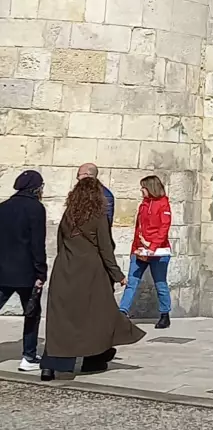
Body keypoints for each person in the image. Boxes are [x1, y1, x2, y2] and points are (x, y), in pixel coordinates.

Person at [41, 171, 143, 381]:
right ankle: (94, 357)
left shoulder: (68, 215)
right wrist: (118, 275)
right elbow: (105, 249)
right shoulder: (98, 217)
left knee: (62, 320)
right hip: (91, 272)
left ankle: (52, 366)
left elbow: (61, 243)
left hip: (64, 269)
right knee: (97, 316)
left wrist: (66, 261)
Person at [0, 169, 48, 372]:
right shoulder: (36, 208)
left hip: (2, 270)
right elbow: (37, 244)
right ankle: (28, 357)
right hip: (26, 272)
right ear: (37, 188)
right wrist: (41, 272)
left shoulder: (3, 207)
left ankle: (29, 356)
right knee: (32, 313)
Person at [119, 174, 173, 328]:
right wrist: (135, 248)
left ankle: (165, 313)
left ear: (150, 188)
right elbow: (139, 228)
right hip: (140, 250)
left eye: (143, 187)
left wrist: (152, 246)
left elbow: (164, 228)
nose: (141, 190)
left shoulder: (163, 204)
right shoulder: (143, 205)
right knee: (131, 282)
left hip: (158, 251)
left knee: (160, 283)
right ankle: (122, 312)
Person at [76, 159, 114, 227]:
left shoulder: (105, 195)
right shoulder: (79, 191)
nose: (78, 178)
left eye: (79, 175)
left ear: (86, 175)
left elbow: (106, 223)